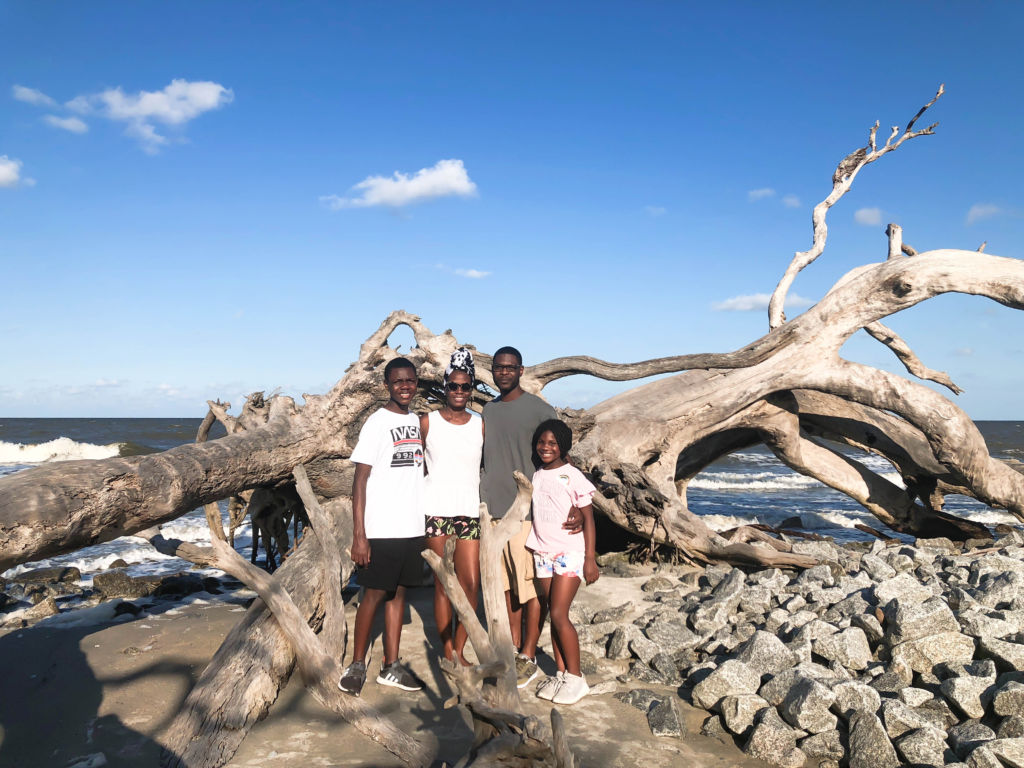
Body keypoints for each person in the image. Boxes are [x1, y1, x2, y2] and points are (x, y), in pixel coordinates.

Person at [480, 346, 579, 689]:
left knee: (531, 590)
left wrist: (576, 506)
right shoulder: (487, 411)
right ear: (492, 371)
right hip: (493, 513)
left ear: (521, 371)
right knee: (506, 587)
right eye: (498, 368)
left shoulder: (539, 409)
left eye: (510, 368)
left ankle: (529, 655)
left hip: (526, 513)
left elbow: (560, 456)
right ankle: (509, 649)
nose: (503, 372)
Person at [338, 357, 427, 696]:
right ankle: (358, 663)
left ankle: (391, 667)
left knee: (398, 595)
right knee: (372, 595)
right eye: (398, 381)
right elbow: (360, 480)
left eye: (410, 381)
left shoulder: (417, 422)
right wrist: (359, 535)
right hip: (382, 528)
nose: (405, 386)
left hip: (411, 526)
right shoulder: (377, 422)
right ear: (387, 385)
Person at [526, 419, 599, 705]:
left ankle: (577, 678)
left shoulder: (573, 476)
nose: (546, 447)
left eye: (553, 443)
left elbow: (589, 518)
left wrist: (590, 559)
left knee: (559, 613)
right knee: (553, 617)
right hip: (542, 551)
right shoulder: (537, 474)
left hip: (569, 552)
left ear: (563, 447)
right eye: (542, 442)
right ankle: (561, 673)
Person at [421, 348, 484, 665]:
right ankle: (447, 651)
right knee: (443, 585)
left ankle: (459, 648)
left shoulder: (480, 424)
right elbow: (410, 466)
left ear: (471, 389)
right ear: (445, 386)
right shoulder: (427, 422)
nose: (459, 392)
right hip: (436, 511)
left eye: (465, 387)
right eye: (453, 386)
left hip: (469, 511)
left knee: (471, 584)